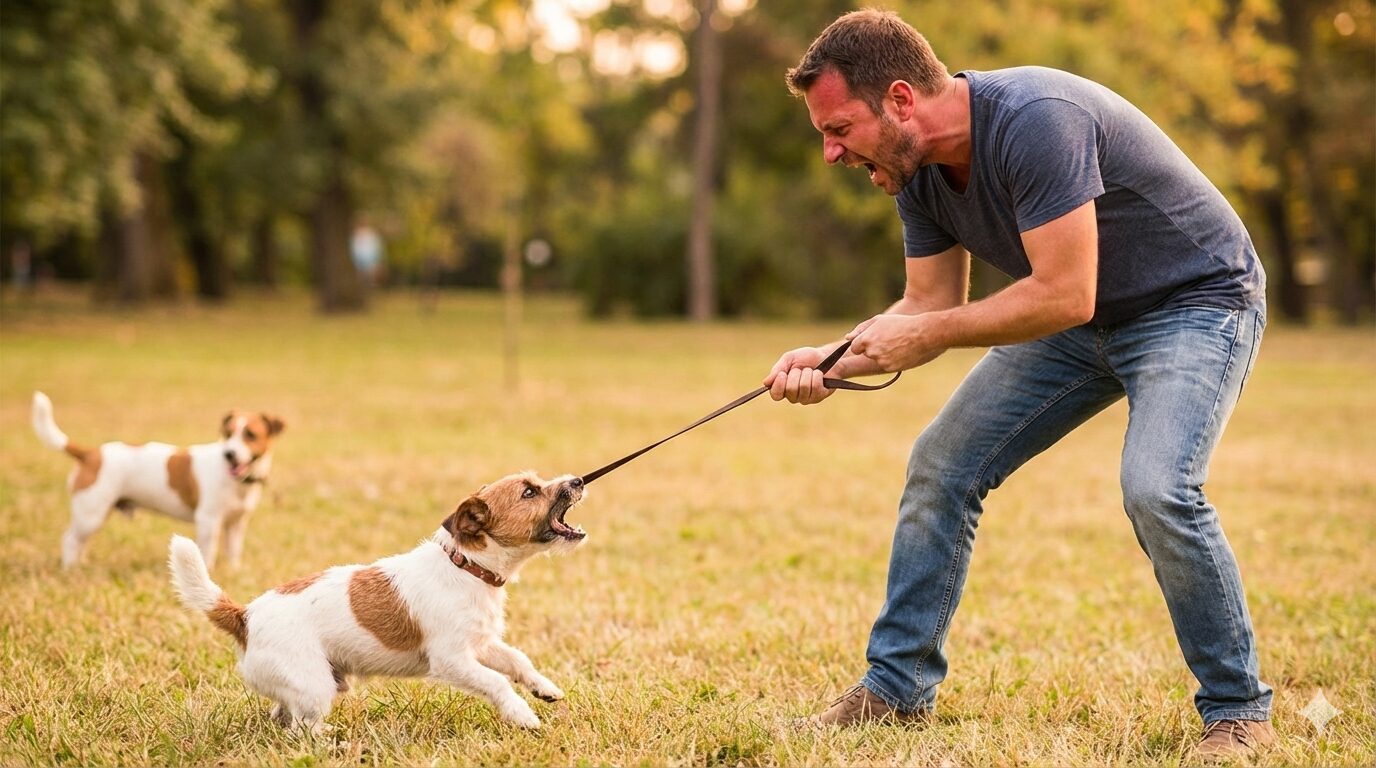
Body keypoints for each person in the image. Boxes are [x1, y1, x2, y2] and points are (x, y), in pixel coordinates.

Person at [764, 10, 1272, 760]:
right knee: (943, 466)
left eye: (839, 129)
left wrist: (926, 334)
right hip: (1080, 325)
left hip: (1194, 304)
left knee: (1159, 488)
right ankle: (895, 692)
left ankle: (1238, 711)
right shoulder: (913, 172)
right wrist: (831, 362)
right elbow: (927, 306)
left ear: (901, 100)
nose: (832, 152)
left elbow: (1064, 294)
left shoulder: (1037, 120)